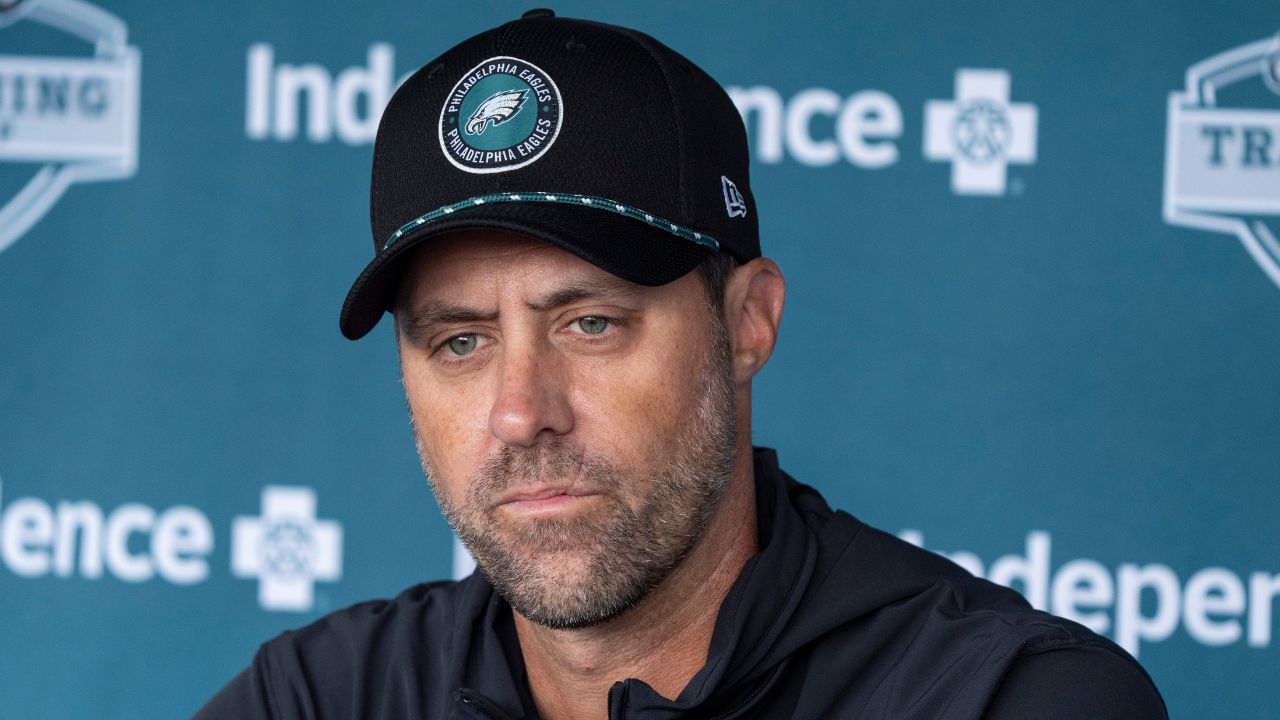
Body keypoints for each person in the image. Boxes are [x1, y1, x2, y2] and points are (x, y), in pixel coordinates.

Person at [199, 10, 1167, 719]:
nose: (519, 411)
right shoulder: (320, 699)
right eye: (461, 341)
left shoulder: (1004, 701)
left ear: (747, 323)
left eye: (589, 324)